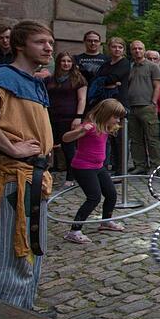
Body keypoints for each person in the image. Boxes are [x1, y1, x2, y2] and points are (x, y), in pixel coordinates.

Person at [0, 21, 56, 309]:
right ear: (19, 45)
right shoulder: (4, 75)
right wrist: (11, 147)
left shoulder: (32, 81)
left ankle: (22, 311)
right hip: (12, 178)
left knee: (30, 250)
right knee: (7, 253)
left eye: (50, 42)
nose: (48, 47)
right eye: (40, 42)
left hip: (32, 177)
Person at [61, 99, 126, 243]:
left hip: (98, 167)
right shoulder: (89, 126)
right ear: (105, 114)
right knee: (94, 197)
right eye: (115, 117)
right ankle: (74, 230)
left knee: (111, 193)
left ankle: (106, 221)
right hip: (83, 168)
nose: (117, 120)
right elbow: (66, 138)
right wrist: (82, 130)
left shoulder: (105, 126)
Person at [47, 52, 87, 186]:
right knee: (48, 145)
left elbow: (82, 99)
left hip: (69, 117)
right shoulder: (51, 79)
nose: (66, 64)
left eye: (69, 61)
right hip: (52, 115)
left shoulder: (78, 79)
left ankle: (71, 176)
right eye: (63, 61)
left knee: (68, 148)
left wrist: (78, 117)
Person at [125, 41, 160, 174]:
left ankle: (155, 166)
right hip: (131, 107)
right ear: (131, 51)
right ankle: (140, 165)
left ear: (144, 50)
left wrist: (153, 103)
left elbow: (157, 86)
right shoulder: (130, 67)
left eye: (140, 48)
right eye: (134, 49)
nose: (137, 51)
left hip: (147, 106)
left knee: (152, 138)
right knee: (135, 139)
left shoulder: (152, 66)